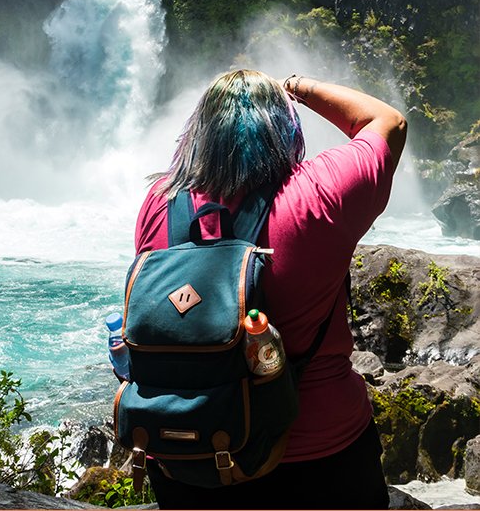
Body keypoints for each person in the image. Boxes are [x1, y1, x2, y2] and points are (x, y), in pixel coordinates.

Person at [134, 69, 407, 510]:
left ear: (200, 130)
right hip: (322, 454)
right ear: (284, 128)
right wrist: (297, 88)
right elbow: (387, 121)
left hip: (190, 450)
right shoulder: (321, 192)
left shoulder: (160, 202)